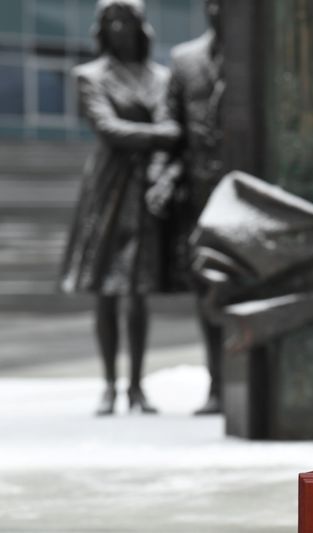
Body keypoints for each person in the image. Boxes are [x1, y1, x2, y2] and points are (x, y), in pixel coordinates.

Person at [59, 0, 179, 415]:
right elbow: (109, 128)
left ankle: (136, 386)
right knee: (106, 290)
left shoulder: (160, 77)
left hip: (144, 188)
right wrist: (161, 136)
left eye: (125, 20)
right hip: (107, 188)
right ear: (100, 28)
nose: (118, 27)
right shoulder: (89, 75)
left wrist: (160, 148)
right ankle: (110, 384)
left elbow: (171, 122)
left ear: (141, 26)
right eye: (110, 20)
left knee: (138, 291)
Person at [146, 0, 226, 415]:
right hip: (198, 197)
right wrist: (163, 175)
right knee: (206, 294)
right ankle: (217, 384)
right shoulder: (184, 59)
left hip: (245, 192)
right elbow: (169, 130)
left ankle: (240, 386)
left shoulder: (257, 60)